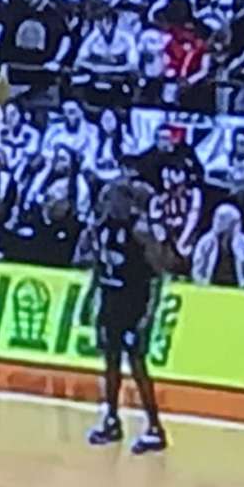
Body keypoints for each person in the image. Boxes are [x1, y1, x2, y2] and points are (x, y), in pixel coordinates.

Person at [85, 180, 178, 454]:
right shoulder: (100, 227)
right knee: (110, 361)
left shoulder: (140, 230)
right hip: (110, 300)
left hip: (134, 303)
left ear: (127, 202)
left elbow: (160, 271)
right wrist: (90, 297)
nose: (108, 203)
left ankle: (154, 427)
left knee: (137, 363)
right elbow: (98, 265)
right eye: (106, 198)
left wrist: (149, 314)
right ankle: (111, 419)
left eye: (113, 198)